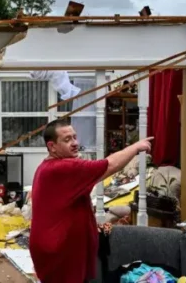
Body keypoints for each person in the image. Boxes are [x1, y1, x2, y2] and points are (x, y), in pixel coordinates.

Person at [29, 119, 153, 283]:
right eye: (67, 140)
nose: (74, 143)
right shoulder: (62, 168)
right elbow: (109, 165)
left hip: (62, 250)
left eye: (74, 137)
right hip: (58, 253)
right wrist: (136, 147)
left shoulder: (52, 166)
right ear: (52, 147)